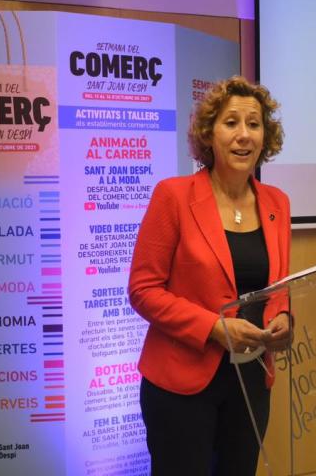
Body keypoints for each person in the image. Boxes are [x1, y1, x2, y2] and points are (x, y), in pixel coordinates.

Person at [128, 75, 292, 475]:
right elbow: (143, 290)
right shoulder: (173, 196)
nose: (244, 135)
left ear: (265, 137)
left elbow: (277, 287)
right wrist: (214, 328)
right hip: (181, 385)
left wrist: (283, 317)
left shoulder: (278, 203)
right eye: (231, 122)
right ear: (208, 133)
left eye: (254, 124)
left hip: (251, 380)